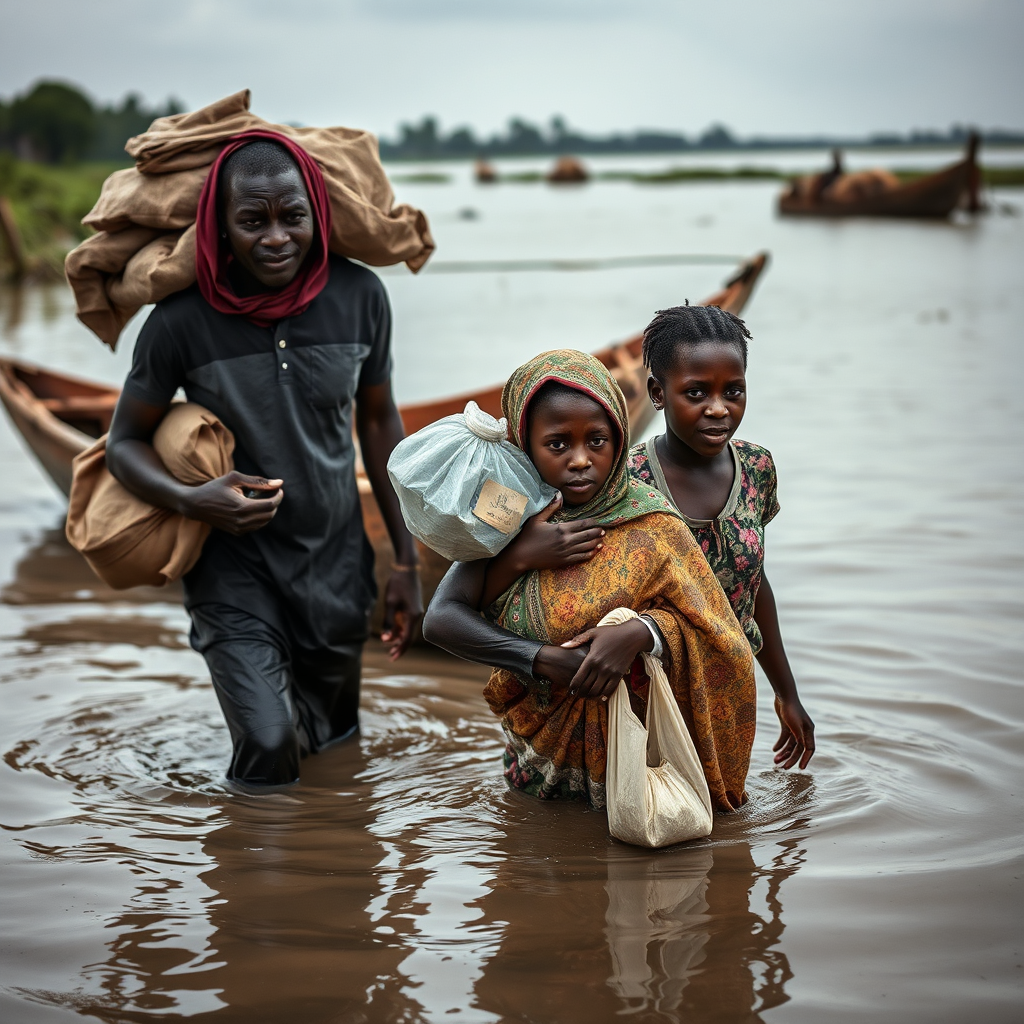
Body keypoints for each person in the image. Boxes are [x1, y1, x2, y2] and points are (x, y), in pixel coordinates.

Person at [105, 131, 423, 789]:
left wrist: (407, 559)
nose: (275, 237)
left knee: (334, 747)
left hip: (336, 567)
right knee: (269, 743)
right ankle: (250, 878)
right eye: (252, 221)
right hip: (233, 571)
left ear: (317, 215)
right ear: (220, 227)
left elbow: (378, 422)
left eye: (292, 217)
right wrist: (194, 501)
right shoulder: (177, 323)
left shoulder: (361, 298)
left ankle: (325, 882)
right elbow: (123, 445)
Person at [423, 350, 756, 811]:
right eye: (558, 444)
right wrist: (539, 646)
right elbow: (440, 619)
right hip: (535, 761)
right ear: (524, 443)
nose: (580, 460)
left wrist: (642, 632)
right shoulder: (504, 516)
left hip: (642, 766)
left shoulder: (655, 524)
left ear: (619, 440)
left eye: (597, 441)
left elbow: (723, 637)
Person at [627, 304, 815, 770]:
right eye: (696, 392)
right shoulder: (628, 481)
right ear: (658, 393)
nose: (718, 408)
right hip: (646, 687)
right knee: (646, 812)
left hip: (729, 682)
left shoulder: (756, 469)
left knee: (721, 811)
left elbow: (754, 585)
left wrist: (786, 693)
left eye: (733, 391)